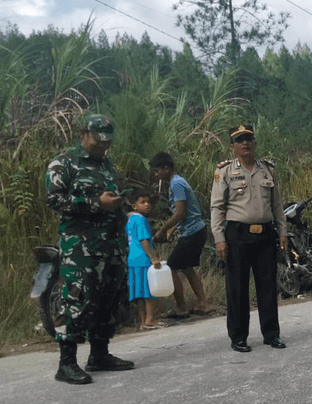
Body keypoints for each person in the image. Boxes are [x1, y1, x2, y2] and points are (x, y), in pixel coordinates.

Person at [43, 113, 135, 384]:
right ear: (83, 133)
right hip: (81, 248)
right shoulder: (64, 163)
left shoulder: (108, 165)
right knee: (77, 301)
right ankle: (67, 363)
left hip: (112, 245)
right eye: (98, 141)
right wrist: (95, 203)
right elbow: (54, 199)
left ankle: (99, 354)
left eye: (107, 142)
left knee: (108, 299)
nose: (103, 146)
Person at [210, 124, 288, 353]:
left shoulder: (267, 169)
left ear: (255, 143)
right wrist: (219, 238)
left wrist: (282, 231)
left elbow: (277, 204)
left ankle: (272, 334)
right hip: (237, 235)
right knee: (237, 288)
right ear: (232, 146)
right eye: (240, 140)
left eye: (249, 139)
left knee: (267, 286)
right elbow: (217, 207)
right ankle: (238, 337)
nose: (245, 143)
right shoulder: (224, 172)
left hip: (265, 234)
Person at [150, 151, 211, 317]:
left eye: (158, 171)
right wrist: (173, 229)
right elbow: (187, 211)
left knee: (171, 267)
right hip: (196, 229)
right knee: (187, 268)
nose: (157, 174)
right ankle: (202, 303)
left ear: (166, 168)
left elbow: (181, 212)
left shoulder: (176, 183)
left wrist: (163, 229)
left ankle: (181, 307)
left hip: (193, 231)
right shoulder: (178, 182)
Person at [126, 190, 162, 330]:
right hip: (143, 258)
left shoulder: (129, 219)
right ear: (134, 206)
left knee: (139, 292)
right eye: (143, 202)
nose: (147, 205)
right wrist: (153, 257)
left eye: (148, 202)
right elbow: (143, 240)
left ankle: (143, 322)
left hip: (132, 260)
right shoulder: (141, 220)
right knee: (149, 290)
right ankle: (151, 319)